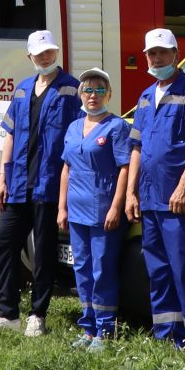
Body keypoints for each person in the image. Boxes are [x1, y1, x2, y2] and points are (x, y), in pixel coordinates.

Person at [0, 30, 81, 336]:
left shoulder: (72, 89)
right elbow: (10, 136)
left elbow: (80, 131)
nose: (45, 57)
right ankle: (7, 314)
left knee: (44, 249)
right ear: (30, 57)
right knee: (3, 240)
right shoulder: (23, 90)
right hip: (20, 182)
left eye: (49, 52)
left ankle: (37, 314)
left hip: (50, 183)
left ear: (57, 53)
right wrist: (2, 178)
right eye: (39, 54)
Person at [125, 28, 185, 349]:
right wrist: (131, 193)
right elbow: (136, 148)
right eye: (151, 53)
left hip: (178, 202)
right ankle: (167, 336)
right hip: (149, 200)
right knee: (158, 272)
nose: (156, 58)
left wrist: (184, 185)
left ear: (176, 54)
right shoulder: (146, 97)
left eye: (162, 52)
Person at [56, 67, 132, 350]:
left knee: (102, 269)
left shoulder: (117, 127)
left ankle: (105, 330)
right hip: (76, 210)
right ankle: (87, 328)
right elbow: (67, 168)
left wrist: (116, 207)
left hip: (103, 211)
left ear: (109, 94)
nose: (93, 95)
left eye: (100, 90)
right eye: (88, 89)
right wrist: (62, 207)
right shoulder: (74, 127)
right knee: (83, 269)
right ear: (80, 94)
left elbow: (125, 168)